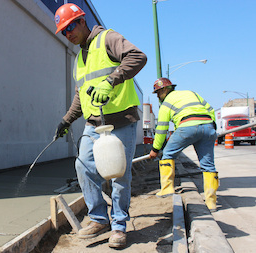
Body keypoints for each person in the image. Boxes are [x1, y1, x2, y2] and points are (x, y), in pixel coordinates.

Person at [53, 3, 147, 248]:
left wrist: (111, 80)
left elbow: (138, 56)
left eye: (70, 27)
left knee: (118, 175)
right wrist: (66, 120)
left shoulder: (107, 38)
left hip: (121, 121)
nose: (68, 34)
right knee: (83, 166)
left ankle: (118, 226)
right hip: (94, 124)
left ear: (82, 21)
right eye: (63, 31)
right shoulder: (79, 58)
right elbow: (80, 96)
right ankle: (98, 218)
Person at [149, 77, 219, 211]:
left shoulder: (166, 104)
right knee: (208, 165)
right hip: (208, 127)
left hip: (187, 127)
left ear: (164, 90)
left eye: (158, 92)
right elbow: (210, 109)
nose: (158, 96)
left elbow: (161, 129)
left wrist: (155, 149)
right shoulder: (191, 93)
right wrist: (212, 126)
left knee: (168, 154)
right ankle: (211, 202)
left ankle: (166, 188)